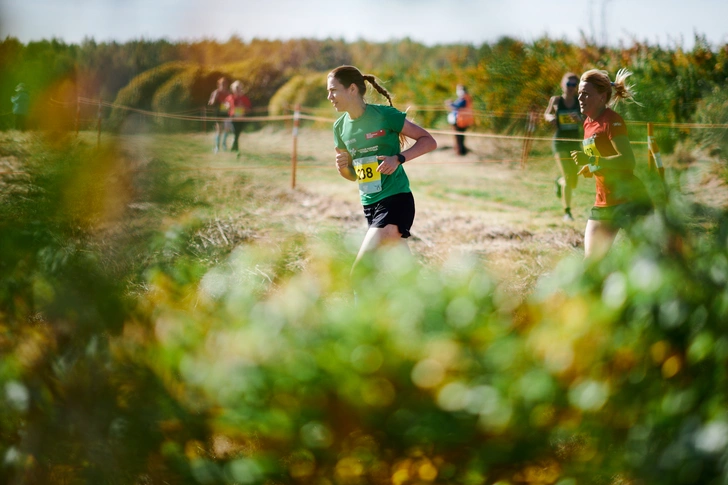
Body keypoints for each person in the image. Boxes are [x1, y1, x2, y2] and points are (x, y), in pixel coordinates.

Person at [327, 65, 437, 270]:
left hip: (395, 201)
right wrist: (342, 168)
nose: (329, 96)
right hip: (369, 206)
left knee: (359, 272)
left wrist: (399, 158)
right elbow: (352, 175)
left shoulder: (384, 115)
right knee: (404, 276)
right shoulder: (339, 128)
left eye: (333, 90)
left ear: (352, 89)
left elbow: (429, 141)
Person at [570, 68, 652, 260]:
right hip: (604, 201)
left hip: (629, 200)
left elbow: (627, 161)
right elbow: (604, 158)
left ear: (601, 97)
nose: (581, 98)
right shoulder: (588, 123)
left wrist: (592, 161)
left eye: (586, 94)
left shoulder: (612, 121)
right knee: (592, 262)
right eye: (580, 94)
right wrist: (590, 167)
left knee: (647, 261)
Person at [544, 73, 583, 221]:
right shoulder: (556, 100)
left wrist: (579, 119)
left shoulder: (579, 102)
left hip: (574, 141)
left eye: (574, 85)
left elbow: (587, 119)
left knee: (573, 180)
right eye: (569, 84)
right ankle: (567, 212)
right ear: (562, 84)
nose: (571, 88)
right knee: (568, 175)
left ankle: (559, 182)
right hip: (560, 142)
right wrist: (551, 118)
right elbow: (546, 114)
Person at [445, 85, 474, 155]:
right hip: (464, 120)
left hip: (460, 121)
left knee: (458, 138)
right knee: (461, 137)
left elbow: (456, 107)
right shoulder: (467, 98)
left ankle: (460, 152)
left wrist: (449, 104)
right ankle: (462, 151)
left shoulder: (463, 99)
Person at [225, 81, 252, 153]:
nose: (237, 90)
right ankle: (235, 148)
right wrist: (227, 106)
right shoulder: (230, 98)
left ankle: (235, 148)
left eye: (238, 88)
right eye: (236, 88)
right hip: (233, 118)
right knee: (235, 133)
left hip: (242, 118)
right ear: (232, 89)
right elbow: (225, 106)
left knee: (237, 134)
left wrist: (243, 107)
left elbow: (249, 109)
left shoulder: (244, 98)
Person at [207, 77, 230, 153]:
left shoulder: (228, 93)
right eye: (222, 84)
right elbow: (211, 102)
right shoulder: (216, 92)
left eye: (225, 84)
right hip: (218, 113)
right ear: (219, 84)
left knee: (227, 129)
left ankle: (224, 144)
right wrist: (213, 100)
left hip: (226, 113)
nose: (223, 85)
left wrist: (228, 104)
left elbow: (230, 102)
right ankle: (217, 147)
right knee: (219, 130)